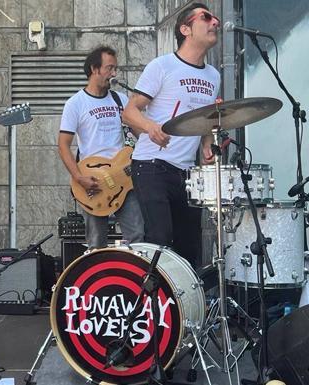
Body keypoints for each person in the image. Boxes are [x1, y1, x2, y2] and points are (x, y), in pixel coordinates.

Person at [122, 3, 221, 264]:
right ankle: (154, 301)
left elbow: (205, 121)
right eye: (207, 17)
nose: (215, 22)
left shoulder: (213, 76)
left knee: (190, 247)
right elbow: (129, 111)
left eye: (216, 18)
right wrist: (150, 127)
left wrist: (207, 145)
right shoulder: (162, 66)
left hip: (187, 172)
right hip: (152, 166)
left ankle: (183, 304)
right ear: (185, 28)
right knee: (160, 240)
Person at [58, 46, 144, 249]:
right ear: (94, 69)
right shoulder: (75, 104)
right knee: (96, 242)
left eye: (115, 68)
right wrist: (79, 177)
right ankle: (98, 280)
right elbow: (63, 145)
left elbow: (138, 133)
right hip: (94, 181)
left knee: (138, 236)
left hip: (124, 178)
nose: (114, 74)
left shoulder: (120, 100)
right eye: (109, 68)